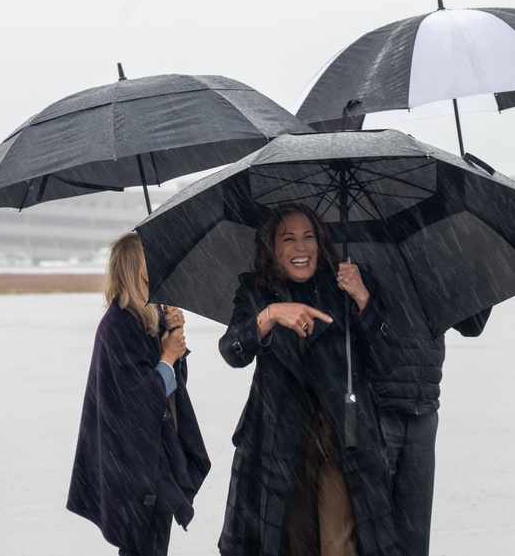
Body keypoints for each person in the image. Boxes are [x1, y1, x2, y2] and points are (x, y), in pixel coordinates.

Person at [217, 204, 403, 556]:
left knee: (341, 546)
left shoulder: (347, 285)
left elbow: (388, 360)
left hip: (344, 442)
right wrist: (270, 316)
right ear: (272, 247)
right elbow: (232, 351)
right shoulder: (256, 294)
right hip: (281, 446)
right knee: (293, 546)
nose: (301, 248)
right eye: (289, 239)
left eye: (309, 237)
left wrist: (363, 299)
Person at [68, 232, 210, 556]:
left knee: (153, 545)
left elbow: (173, 388)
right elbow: (139, 403)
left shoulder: (144, 321)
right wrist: (168, 357)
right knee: (143, 547)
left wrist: (172, 338)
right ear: (141, 271)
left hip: (151, 460)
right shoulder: (119, 326)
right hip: (133, 465)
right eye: (152, 257)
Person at [374, 307, 490, 556]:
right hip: (377, 409)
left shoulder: (436, 270)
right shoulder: (368, 266)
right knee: (373, 534)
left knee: (415, 538)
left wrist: (479, 270)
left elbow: (472, 325)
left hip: (423, 408)